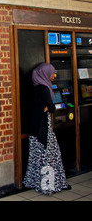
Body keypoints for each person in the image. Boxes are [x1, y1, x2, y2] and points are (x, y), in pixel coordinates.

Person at [23, 62, 71, 195]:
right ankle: (49, 186)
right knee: (49, 156)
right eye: (52, 72)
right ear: (45, 73)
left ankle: (34, 182)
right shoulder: (44, 89)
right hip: (44, 128)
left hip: (35, 128)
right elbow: (52, 107)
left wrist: (45, 108)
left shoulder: (36, 87)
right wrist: (48, 107)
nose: (53, 75)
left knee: (37, 156)